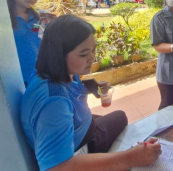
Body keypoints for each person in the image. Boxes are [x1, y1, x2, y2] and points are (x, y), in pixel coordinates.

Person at [21, 15, 161, 171]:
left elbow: (70, 88)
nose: (92, 58)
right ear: (58, 54)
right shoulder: (54, 104)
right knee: (120, 119)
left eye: (93, 50)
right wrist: (129, 159)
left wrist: (90, 87)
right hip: (81, 144)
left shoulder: (53, 71)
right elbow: (56, 167)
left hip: (80, 127)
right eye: (83, 54)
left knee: (118, 117)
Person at [6, 0, 41, 86]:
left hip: (40, 77)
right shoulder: (3, 20)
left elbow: (38, 37)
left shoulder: (38, 18)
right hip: (16, 82)